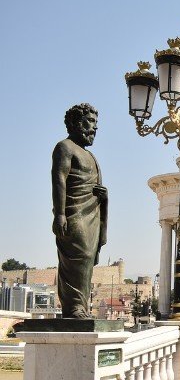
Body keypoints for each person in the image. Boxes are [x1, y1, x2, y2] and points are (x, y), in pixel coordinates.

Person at [52, 103, 107, 319]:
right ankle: (73, 307)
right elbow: (59, 179)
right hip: (74, 212)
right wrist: (59, 214)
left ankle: (80, 307)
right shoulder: (64, 147)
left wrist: (104, 195)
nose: (95, 127)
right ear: (76, 123)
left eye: (96, 123)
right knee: (78, 257)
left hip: (92, 214)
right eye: (90, 121)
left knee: (88, 260)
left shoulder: (91, 155)